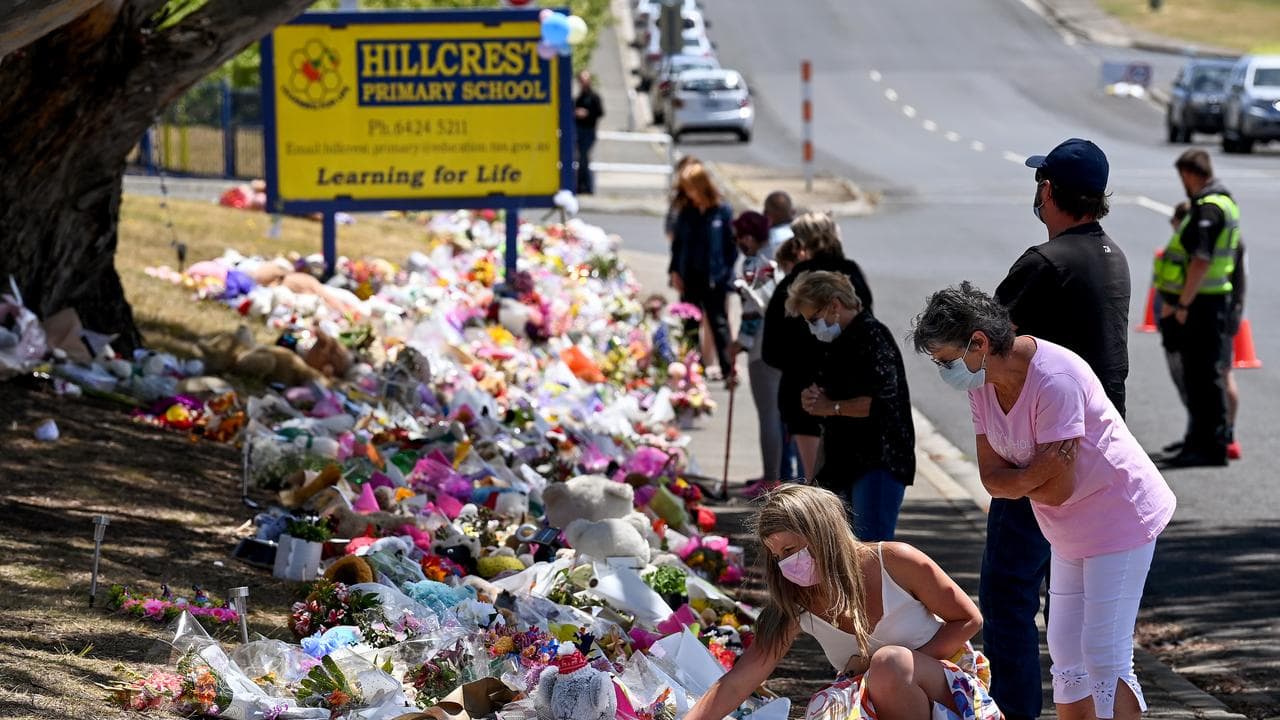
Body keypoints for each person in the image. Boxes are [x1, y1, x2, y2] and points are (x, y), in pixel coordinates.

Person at [911, 284, 1176, 720]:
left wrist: (1019, 481)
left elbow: (1057, 489)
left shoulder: (1055, 379)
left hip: (1119, 518)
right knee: (1066, 653)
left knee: (1105, 653)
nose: (944, 371)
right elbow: (993, 479)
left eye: (945, 360)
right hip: (1066, 528)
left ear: (978, 343)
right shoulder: (982, 384)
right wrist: (1034, 474)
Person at [980, 137, 1131, 720]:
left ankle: (1017, 711)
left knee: (1010, 592)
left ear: (1048, 191)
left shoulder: (1045, 264)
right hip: (1101, 455)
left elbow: (984, 345)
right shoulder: (1112, 255)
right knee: (1077, 608)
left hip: (1043, 456)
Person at [685, 484, 1000, 720]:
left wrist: (874, 668)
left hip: (948, 695)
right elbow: (738, 682)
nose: (786, 563)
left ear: (824, 534)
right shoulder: (795, 601)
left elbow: (969, 619)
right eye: (778, 555)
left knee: (889, 664)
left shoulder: (894, 561)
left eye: (792, 548)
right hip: (872, 702)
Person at [784, 271, 914, 541]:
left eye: (813, 319)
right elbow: (830, 390)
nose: (813, 327)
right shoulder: (840, 341)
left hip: (877, 460)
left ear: (834, 305)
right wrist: (814, 398)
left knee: (870, 548)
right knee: (842, 549)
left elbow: (879, 403)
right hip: (846, 460)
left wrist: (830, 407)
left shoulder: (872, 337)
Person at [762, 213, 873, 479]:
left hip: (804, 392)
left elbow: (772, 348)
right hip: (850, 392)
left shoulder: (795, 283)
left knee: (814, 481)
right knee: (845, 482)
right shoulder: (852, 274)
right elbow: (867, 327)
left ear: (801, 244)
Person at [1151, 148, 1242, 467]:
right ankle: (1198, 441)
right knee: (1199, 376)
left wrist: (1182, 305)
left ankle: (1208, 446)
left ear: (1190, 174)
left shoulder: (1208, 208)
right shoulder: (1223, 202)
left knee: (1203, 378)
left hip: (1201, 303)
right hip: (1211, 301)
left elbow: (1201, 260)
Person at [731, 211, 784, 496]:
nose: (738, 243)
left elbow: (752, 310)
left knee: (768, 415)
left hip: (763, 348)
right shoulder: (775, 259)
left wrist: (738, 343)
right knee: (778, 413)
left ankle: (771, 478)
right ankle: (777, 474)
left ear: (748, 238)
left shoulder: (754, 264)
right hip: (781, 344)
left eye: (738, 237)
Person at [668, 162, 737, 382]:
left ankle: (729, 370)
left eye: (691, 188)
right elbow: (678, 245)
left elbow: (730, 246)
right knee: (689, 324)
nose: (689, 193)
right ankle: (692, 371)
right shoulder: (686, 212)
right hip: (690, 276)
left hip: (714, 277)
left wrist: (725, 272)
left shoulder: (722, 211)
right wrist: (674, 271)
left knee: (719, 324)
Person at [573, 70, 604, 195]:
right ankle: (581, 186)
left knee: (584, 158)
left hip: (589, 131)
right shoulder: (579, 97)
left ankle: (588, 186)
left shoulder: (594, 97)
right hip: (579, 130)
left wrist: (586, 114)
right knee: (580, 159)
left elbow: (600, 112)